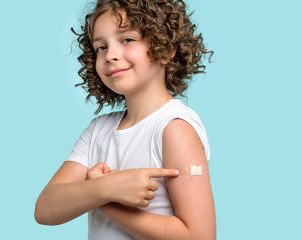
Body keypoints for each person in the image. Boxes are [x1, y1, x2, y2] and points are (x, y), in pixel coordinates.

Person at [35, 0, 216, 239]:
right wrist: (105, 189)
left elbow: (200, 236)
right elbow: (45, 209)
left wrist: (105, 200)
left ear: (166, 47)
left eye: (127, 40)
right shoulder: (98, 130)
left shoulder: (174, 128)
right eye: (101, 47)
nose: (110, 55)